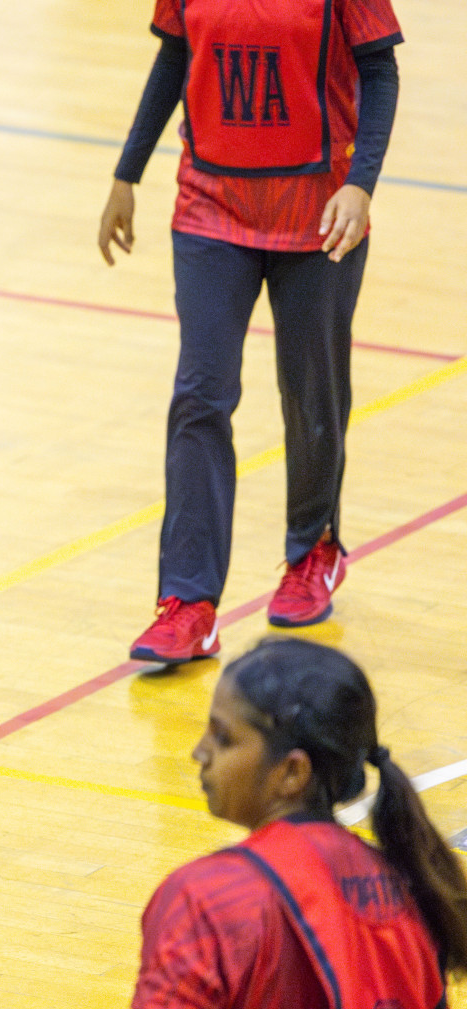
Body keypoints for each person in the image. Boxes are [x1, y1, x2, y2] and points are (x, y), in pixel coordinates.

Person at [99, 0, 404, 664]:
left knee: (310, 393)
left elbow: (380, 72)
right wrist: (128, 173)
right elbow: (174, 58)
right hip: (210, 208)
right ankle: (188, 603)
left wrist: (362, 184)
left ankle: (313, 549)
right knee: (200, 397)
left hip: (318, 211)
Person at [131, 638, 467, 1009]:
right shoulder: (411, 887)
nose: (199, 751)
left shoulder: (207, 900)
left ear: (293, 772)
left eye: (224, 738)